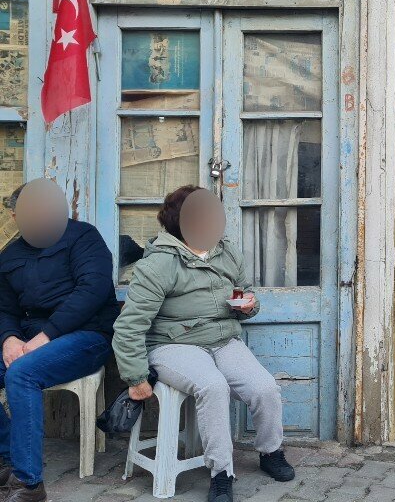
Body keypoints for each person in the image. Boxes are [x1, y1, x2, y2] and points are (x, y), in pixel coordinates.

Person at [112, 185, 294, 502]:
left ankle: (271, 452)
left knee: (264, 387)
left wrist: (248, 306)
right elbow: (129, 326)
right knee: (213, 386)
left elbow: (244, 292)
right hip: (173, 344)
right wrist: (136, 377)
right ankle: (221, 473)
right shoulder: (158, 264)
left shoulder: (226, 252)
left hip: (222, 339)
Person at [0, 180, 120, 502]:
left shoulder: (83, 238)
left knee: (22, 373)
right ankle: (7, 457)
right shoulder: (10, 255)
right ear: (15, 216)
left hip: (86, 336)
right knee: (17, 364)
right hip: (29, 339)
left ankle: (29, 484)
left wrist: (46, 336)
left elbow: (92, 290)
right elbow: (5, 308)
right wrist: (8, 339)